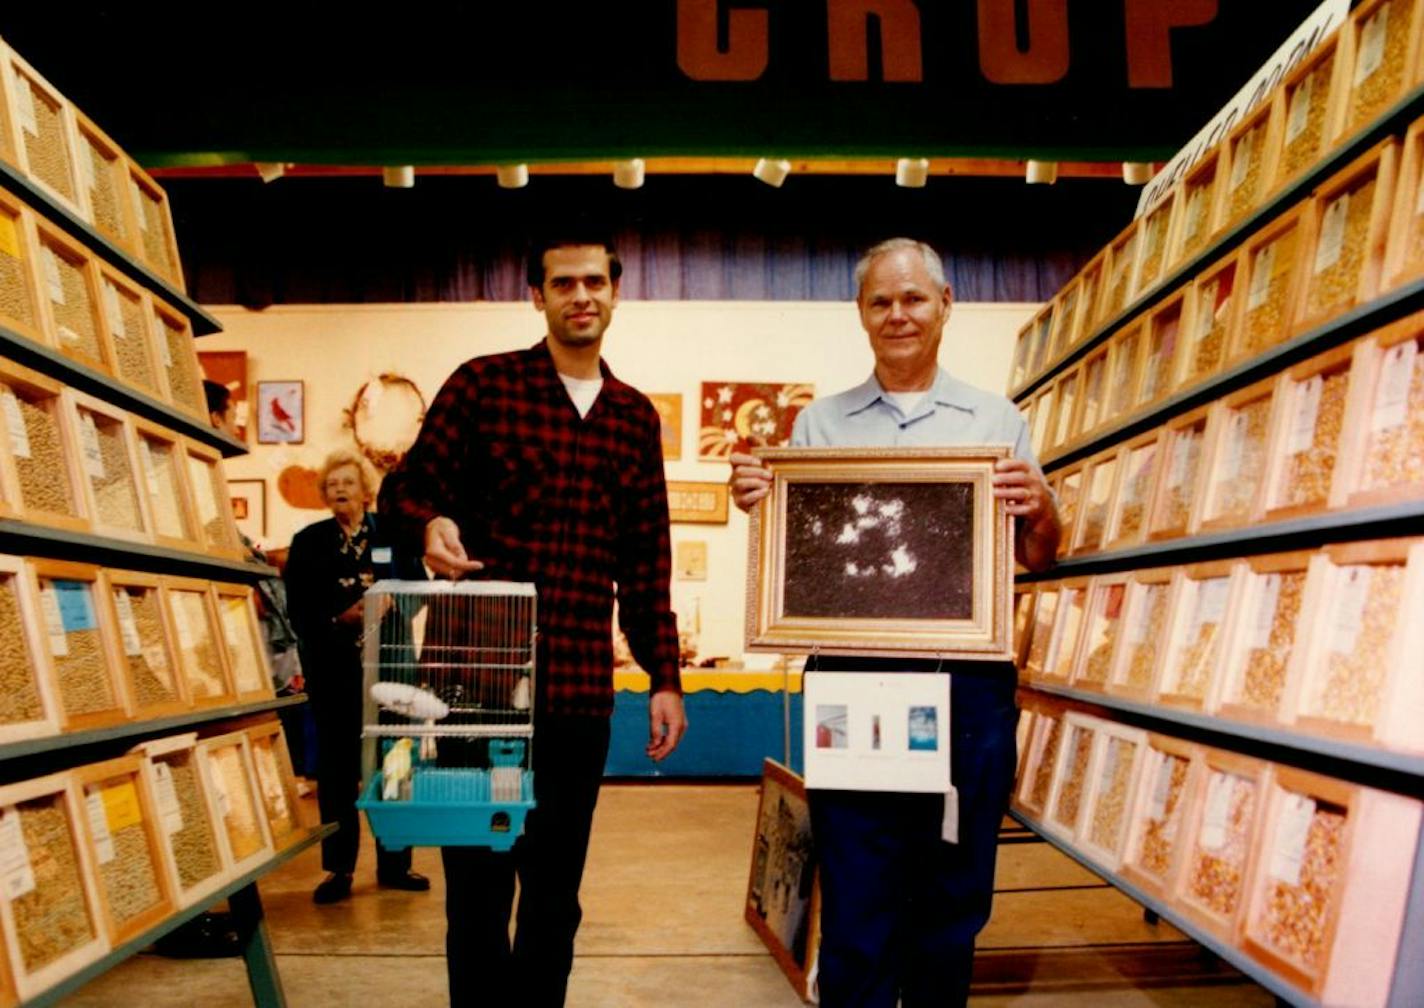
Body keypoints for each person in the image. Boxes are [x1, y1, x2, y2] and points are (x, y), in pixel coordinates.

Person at [730, 238, 1061, 1007]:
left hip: (970, 689)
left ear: (946, 306)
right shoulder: (817, 428)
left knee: (953, 893)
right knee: (857, 885)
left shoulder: (996, 419)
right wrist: (762, 494)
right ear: (861, 315)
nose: (898, 314)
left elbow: (1040, 555)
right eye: (881, 301)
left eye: (914, 298)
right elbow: (798, 564)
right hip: (854, 686)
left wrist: (1041, 506)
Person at [378, 231, 688, 1006]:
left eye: (594, 281)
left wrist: (665, 676)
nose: (580, 296)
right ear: (537, 297)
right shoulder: (483, 387)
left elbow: (647, 559)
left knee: (556, 897)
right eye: (562, 283)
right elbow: (404, 490)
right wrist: (426, 528)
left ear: (615, 291)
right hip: (471, 693)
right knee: (477, 898)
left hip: (580, 697)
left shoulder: (633, 419)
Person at [284, 449, 430, 904]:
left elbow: (418, 589)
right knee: (337, 770)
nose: (340, 490)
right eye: (332, 485)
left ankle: (396, 861)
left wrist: (393, 605)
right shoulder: (308, 541)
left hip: (392, 666)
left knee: (396, 761)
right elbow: (298, 607)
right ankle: (339, 869)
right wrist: (337, 618)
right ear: (324, 495)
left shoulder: (393, 534)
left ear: (365, 490)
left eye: (348, 482)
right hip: (335, 671)